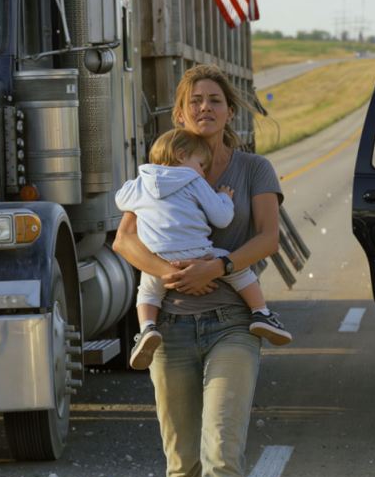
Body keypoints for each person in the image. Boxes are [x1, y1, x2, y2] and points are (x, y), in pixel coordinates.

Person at [113, 64, 284, 477]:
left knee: (221, 452)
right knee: (183, 463)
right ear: (181, 112)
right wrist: (171, 274)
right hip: (173, 328)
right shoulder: (160, 168)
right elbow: (125, 240)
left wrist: (221, 265)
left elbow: (266, 237)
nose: (204, 108)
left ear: (230, 112)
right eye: (194, 101)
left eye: (215, 100)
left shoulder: (254, 168)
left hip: (233, 325)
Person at [115, 128, 292, 369]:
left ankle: (146, 329)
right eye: (200, 164)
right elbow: (221, 218)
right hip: (198, 253)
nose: (202, 171)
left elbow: (120, 200)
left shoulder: (140, 184)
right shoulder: (193, 180)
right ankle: (261, 313)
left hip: (158, 260)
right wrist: (225, 198)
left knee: (147, 292)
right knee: (239, 270)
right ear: (180, 155)